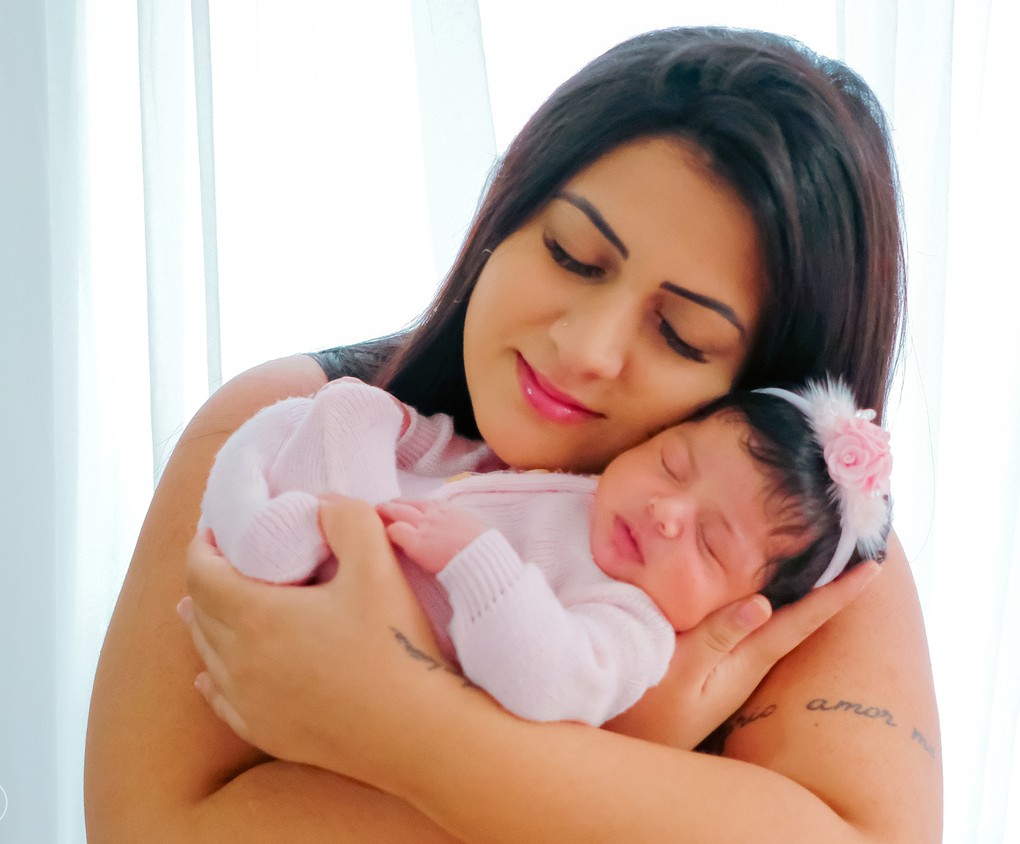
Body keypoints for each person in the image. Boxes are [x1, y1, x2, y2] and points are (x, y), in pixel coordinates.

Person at [85, 26, 942, 843]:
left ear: (763, 392)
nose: (586, 348)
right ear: (506, 215)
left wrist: (414, 724)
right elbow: (146, 830)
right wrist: (630, 783)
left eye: (681, 335)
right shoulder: (302, 420)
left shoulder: (792, 548)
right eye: (572, 255)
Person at [196, 375, 893, 726]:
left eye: (710, 544)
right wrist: (411, 434)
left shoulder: (632, 627)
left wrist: (476, 561)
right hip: (376, 511)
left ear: (738, 611)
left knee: (310, 498)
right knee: (348, 406)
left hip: (365, 603)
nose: (666, 512)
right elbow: (466, 469)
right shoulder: (586, 490)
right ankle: (261, 516)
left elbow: (548, 679)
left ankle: (274, 543)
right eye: (672, 463)